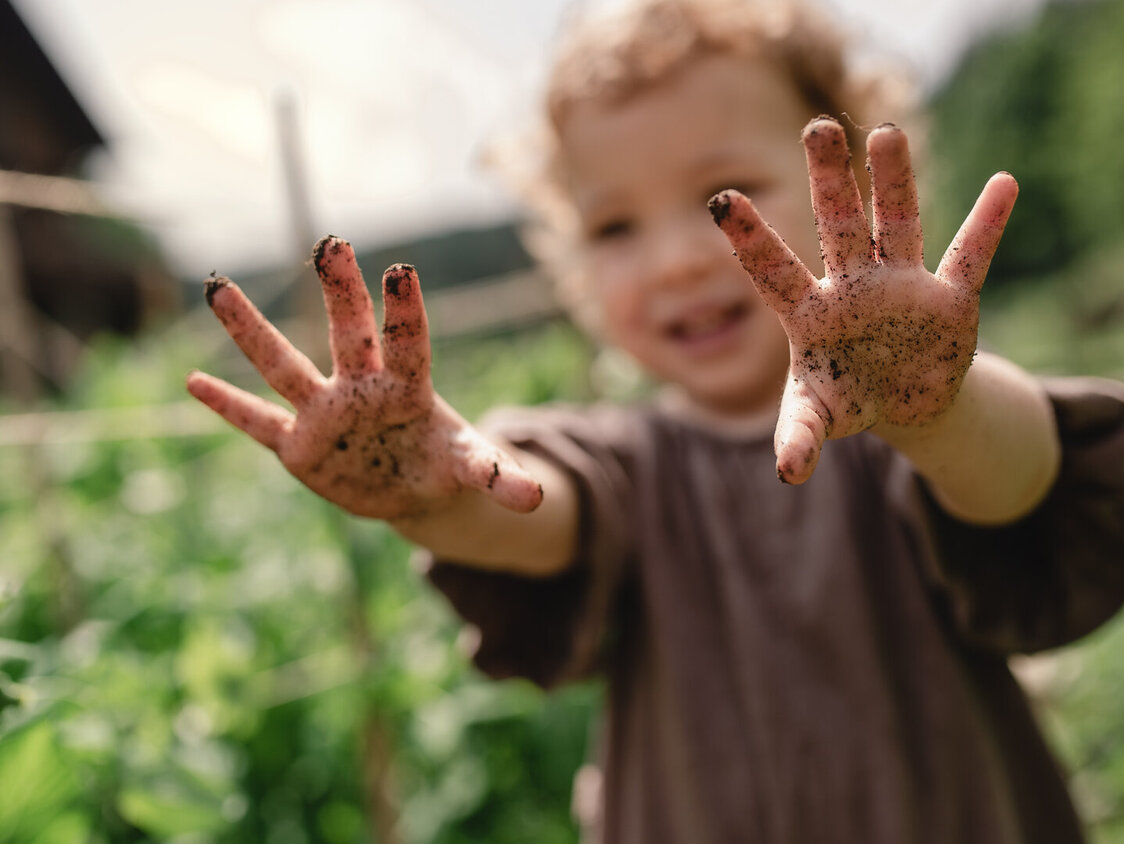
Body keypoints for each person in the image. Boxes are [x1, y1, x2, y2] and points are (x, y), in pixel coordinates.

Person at [185, 0, 1124, 841]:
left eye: (723, 197)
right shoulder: (625, 461)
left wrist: (930, 409)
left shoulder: (923, 438)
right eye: (614, 228)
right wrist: (428, 493)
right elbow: (534, 509)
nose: (674, 261)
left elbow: (1018, 473)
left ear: (848, 191)